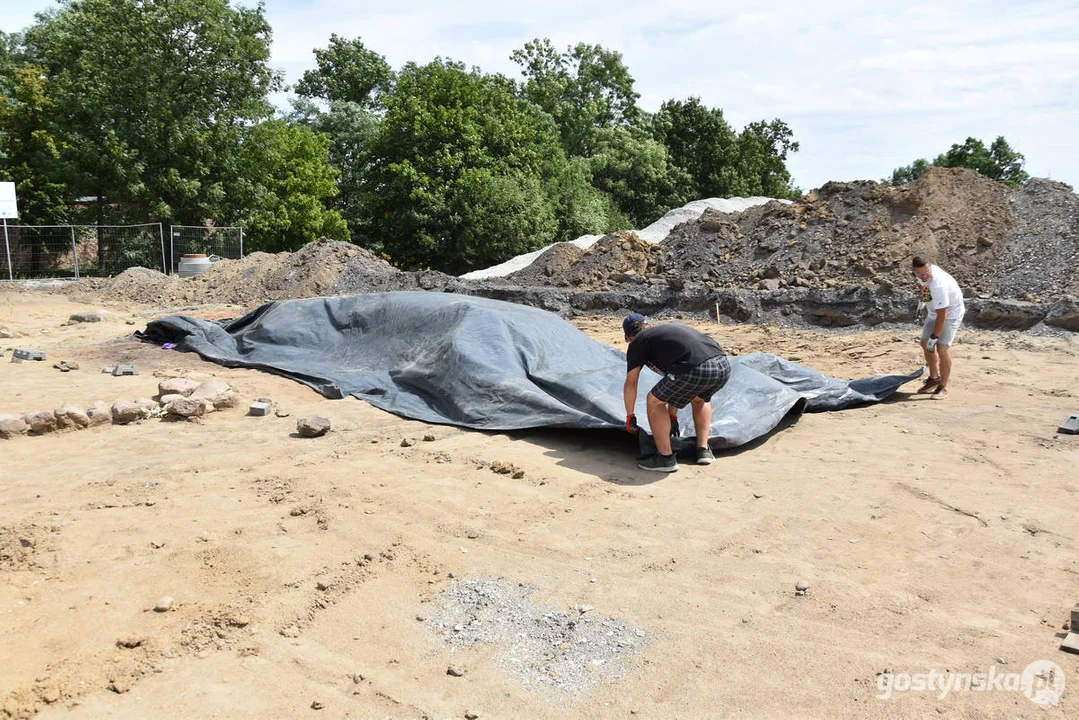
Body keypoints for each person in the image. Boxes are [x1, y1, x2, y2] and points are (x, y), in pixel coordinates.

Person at [622, 313, 731, 472]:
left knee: (654, 400)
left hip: (695, 368)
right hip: (722, 365)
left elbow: (631, 383)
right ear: (648, 325)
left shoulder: (638, 342)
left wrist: (630, 415)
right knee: (699, 400)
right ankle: (703, 450)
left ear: (629, 336)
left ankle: (665, 458)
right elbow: (677, 388)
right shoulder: (663, 334)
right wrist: (672, 416)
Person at [912, 256, 965, 399]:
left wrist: (935, 336)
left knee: (941, 348)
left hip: (951, 314)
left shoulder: (939, 285)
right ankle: (934, 378)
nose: (924, 276)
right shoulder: (921, 276)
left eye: (926, 272)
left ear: (930, 266)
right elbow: (923, 286)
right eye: (920, 274)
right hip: (934, 312)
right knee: (925, 344)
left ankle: (943, 387)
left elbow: (943, 314)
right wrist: (925, 300)